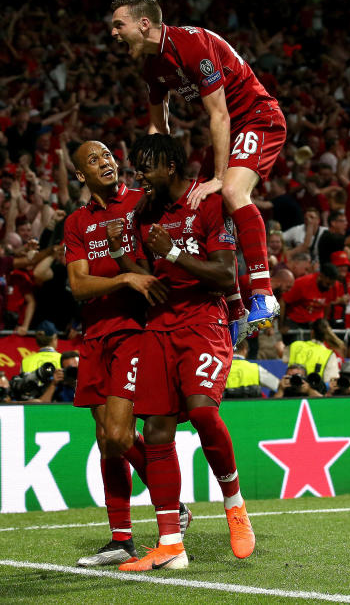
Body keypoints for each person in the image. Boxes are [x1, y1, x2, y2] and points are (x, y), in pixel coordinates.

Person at [110, 0, 287, 328]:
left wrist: (219, 177)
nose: (114, 33)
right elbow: (158, 128)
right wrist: (147, 170)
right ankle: (237, 312)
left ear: (144, 23)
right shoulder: (152, 66)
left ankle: (264, 294)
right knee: (201, 205)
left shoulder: (191, 43)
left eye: (119, 25)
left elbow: (219, 115)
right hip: (227, 130)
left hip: (255, 117)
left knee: (232, 193)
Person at [117, 134, 252, 572]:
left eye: (146, 164)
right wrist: (132, 267)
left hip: (203, 321)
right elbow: (140, 265)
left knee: (202, 413)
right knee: (156, 430)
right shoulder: (145, 214)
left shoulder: (208, 204)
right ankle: (171, 544)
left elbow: (225, 272)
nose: (139, 172)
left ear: (171, 166)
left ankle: (234, 505)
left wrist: (171, 252)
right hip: (159, 325)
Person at [64, 139, 179, 567]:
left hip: (135, 329)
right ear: (82, 176)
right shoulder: (76, 222)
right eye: (94, 160)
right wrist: (122, 280)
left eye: (108, 156)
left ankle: (171, 503)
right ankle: (120, 539)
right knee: (107, 442)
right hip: (95, 333)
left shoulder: (141, 203)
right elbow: (78, 286)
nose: (106, 163)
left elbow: (156, 264)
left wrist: (131, 277)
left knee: (116, 434)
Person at [284, 319, 344, 391]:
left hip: (292, 390)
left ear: (312, 332)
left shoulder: (295, 345)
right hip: (315, 395)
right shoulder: (329, 354)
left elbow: (284, 359)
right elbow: (331, 381)